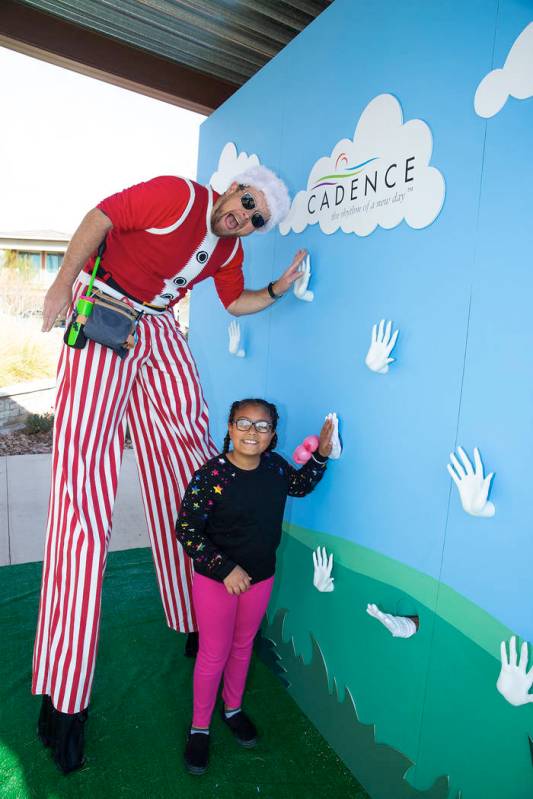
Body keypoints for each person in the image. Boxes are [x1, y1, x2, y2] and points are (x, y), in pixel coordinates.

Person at [34, 165, 307, 774]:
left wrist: (280, 287)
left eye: (258, 217)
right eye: (246, 202)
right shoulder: (178, 195)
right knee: (84, 488)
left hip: (157, 327)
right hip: (105, 307)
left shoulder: (229, 248)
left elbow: (236, 301)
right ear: (232, 186)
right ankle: (64, 693)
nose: (245, 216)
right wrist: (63, 286)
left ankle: (194, 618)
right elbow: (100, 215)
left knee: (188, 463)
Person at [176, 398, 333, 775]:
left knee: (243, 645)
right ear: (229, 429)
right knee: (214, 653)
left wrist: (322, 456)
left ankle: (232, 709)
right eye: (243, 423)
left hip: (261, 578)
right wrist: (226, 568)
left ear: (273, 436)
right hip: (217, 582)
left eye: (262, 426)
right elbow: (187, 531)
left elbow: (300, 485)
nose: (252, 431)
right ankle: (200, 727)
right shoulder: (211, 476)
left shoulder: (277, 469)